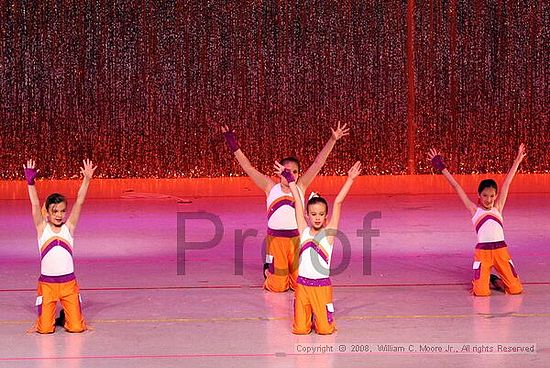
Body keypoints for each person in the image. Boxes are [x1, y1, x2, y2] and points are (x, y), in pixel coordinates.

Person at [222, 123, 349, 292]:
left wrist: (333, 140)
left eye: (295, 172)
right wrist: (232, 143)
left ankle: (288, 271)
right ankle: (269, 270)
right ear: (279, 172)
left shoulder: (301, 186)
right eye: (287, 172)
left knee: (299, 285)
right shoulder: (270, 187)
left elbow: (318, 163)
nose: (291, 175)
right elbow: (248, 167)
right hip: (276, 242)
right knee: (278, 287)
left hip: (297, 241)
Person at [428, 145, 526, 296]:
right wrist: (441, 167)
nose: (489, 199)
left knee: (515, 289)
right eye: (485, 196)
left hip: (501, 252)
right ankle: (486, 278)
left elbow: (507, 183)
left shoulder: (498, 208)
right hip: (483, 253)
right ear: (479, 195)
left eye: (492, 196)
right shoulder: (475, 211)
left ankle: (494, 279)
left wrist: (517, 161)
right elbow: (456, 186)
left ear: (495, 196)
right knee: (481, 293)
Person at [276, 160, 361, 334]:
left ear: (326, 216)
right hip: (302, 287)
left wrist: (350, 180)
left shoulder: (328, 235)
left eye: (321, 214)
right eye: (313, 214)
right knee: (300, 330)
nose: (317, 217)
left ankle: (318, 315)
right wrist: (290, 180)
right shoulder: (304, 231)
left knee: (325, 330)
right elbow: (298, 203)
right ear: (307, 216)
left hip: (321, 288)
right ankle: (308, 316)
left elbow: (337, 202)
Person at [24, 158, 97, 333]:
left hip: (68, 284)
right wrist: (30, 183)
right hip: (47, 285)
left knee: (77, 328)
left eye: (62, 211)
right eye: (55, 211)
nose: (59, 215)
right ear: (47, 213)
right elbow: (34, 204)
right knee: (45, 330)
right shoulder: (42, 229)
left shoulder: (69, 228)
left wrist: (86, 179)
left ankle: (66, 315)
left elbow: (79, 201)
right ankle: (48, 318)